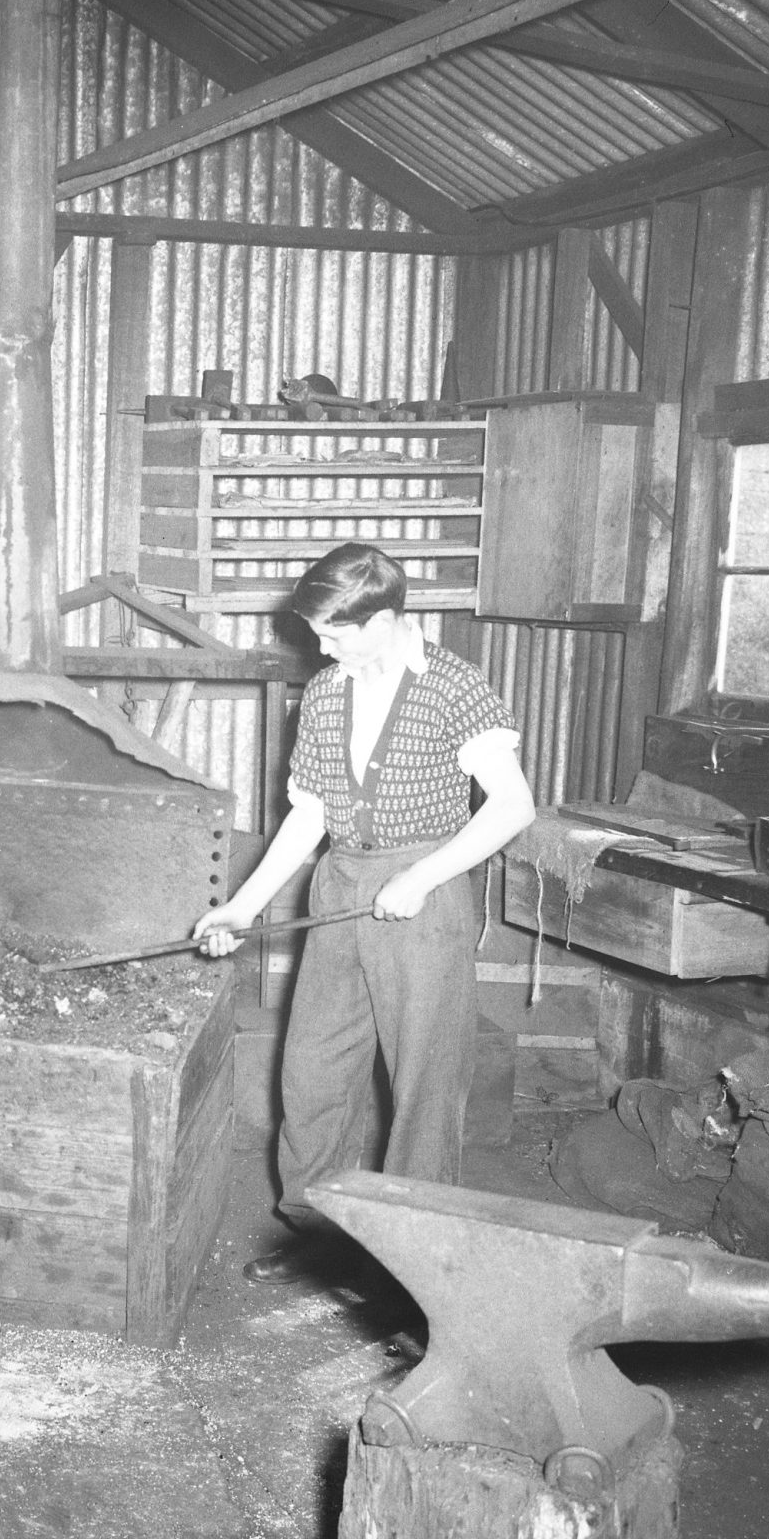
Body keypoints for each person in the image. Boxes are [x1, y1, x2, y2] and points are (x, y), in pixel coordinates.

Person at [194, 544, 535, 1284]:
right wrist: (241, 908)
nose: (321, 647)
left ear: (382, 620)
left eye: (335, 633)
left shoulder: (454, 687)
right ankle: (316, 1236)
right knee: (314, 1070)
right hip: (342, 886)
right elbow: (307, 816)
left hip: (424, 894)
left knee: (423, 1082)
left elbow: (513, 805)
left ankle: (414, 1270)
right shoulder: (326, 693)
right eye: (318, 632)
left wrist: (426, 873)